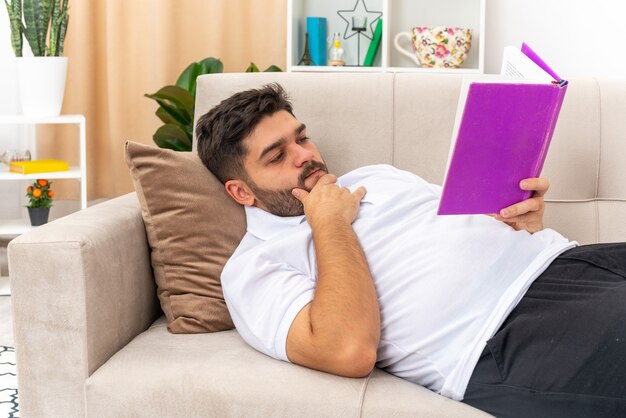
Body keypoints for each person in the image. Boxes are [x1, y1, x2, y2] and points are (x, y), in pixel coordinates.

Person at [195, 83, 626, 417]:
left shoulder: (377, 175)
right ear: (241, 191)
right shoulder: (253, 268)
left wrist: (525, 220)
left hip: (569, 262)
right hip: (503, 337)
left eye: (302, 138)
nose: (305, 156)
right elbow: (346, 349)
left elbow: (474, 233)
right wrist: (326, 222)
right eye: (277, 156)